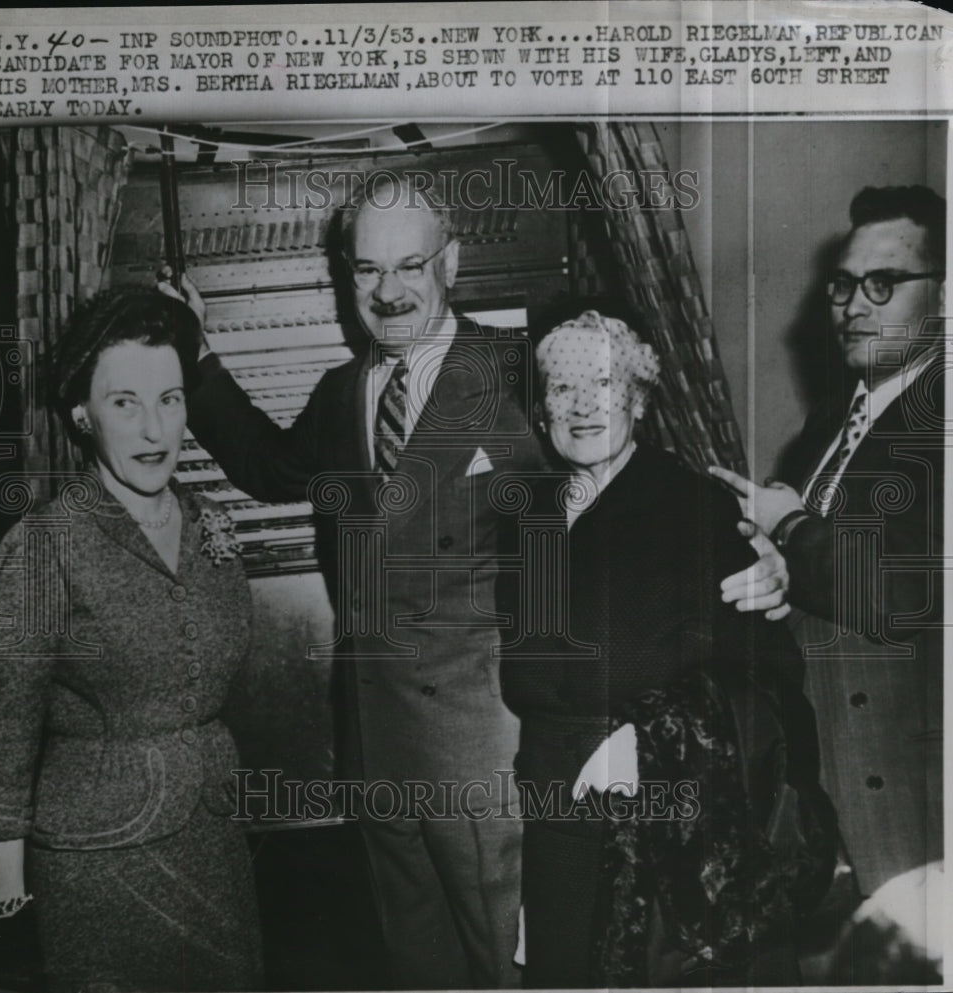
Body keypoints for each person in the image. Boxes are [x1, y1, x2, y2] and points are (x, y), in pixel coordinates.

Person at [165, 175, 546, 989]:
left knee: (504, 959)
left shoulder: (523, 377)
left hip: (483, 744)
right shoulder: (345, 392)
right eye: (367, 270)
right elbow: (271, 469)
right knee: (416, 959)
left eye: (410, 266)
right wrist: (197, 357)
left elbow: (596, 511)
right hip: (374, 737)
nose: (389, 292)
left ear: (452, 261)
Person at [500, 310, 833, 988]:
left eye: (604, 383)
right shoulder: (527, 516)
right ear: (542, 408)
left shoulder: (694, 507)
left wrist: (652, 737)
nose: (583, 404)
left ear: (640, 399)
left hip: (664, 819)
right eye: (562, 387)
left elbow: (767, 676)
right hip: (552, 816)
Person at [0, 288, 263, 992]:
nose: (154, 427)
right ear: (82, 413)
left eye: (170, 399)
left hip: (217, 846)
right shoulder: (45, 545)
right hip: (98, 864)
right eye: (125, 402)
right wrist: (10, 905)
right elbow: (5, 736)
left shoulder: (210, 523)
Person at [711, 185, 944, 902]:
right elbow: (822, 573)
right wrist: (778, 568)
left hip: (909, 788)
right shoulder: (837, 416)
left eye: (884, 283)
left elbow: (902, 591)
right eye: (844, 285)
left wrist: (790, 525)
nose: (853, 305)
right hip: (826, 775)